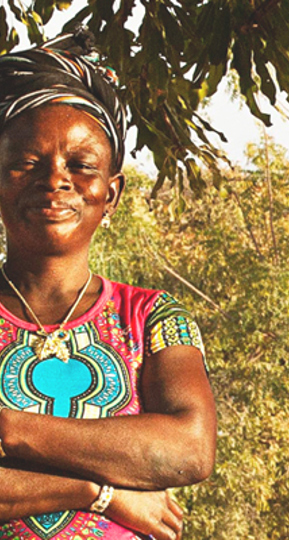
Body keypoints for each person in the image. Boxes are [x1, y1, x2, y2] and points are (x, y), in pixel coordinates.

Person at [0, 32, 216, 540]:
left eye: (81, 165)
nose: (55, 180)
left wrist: (11, 431)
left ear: (111, 193)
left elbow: (189, 448)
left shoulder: (154, 317)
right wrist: (100, 492)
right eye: (28, 163)